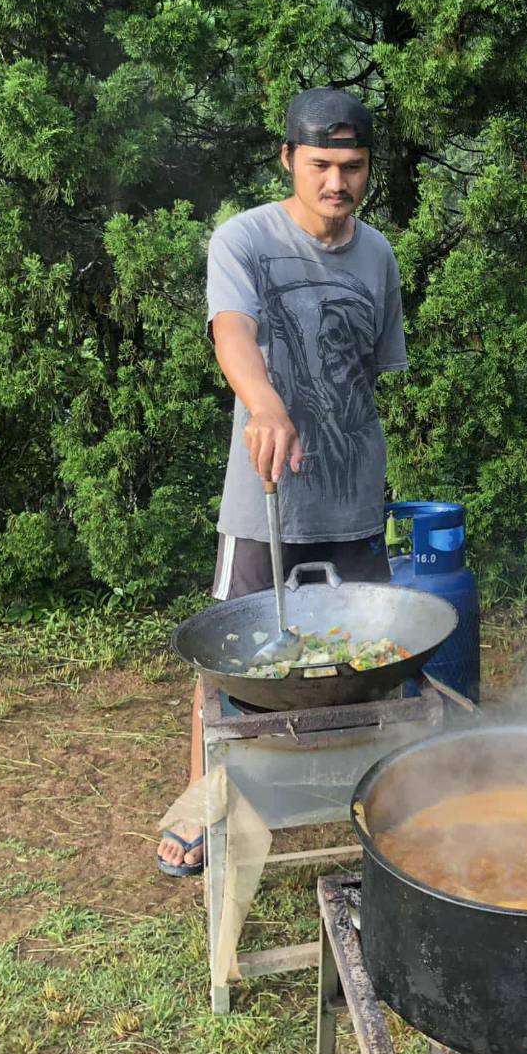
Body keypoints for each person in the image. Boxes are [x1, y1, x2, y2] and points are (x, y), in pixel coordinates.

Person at [157, 88, 407, 876]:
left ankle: (377, 793)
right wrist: (265, 402)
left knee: (374, 653)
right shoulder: (246, 240)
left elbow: (369, 372)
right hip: (264, 497)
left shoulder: (379, 256)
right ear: (288, 160)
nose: (338, 182)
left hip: (354, 496)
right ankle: (201, 801)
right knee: (229, 660)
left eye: (354, 166)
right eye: (323, 164)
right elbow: (232, 329)